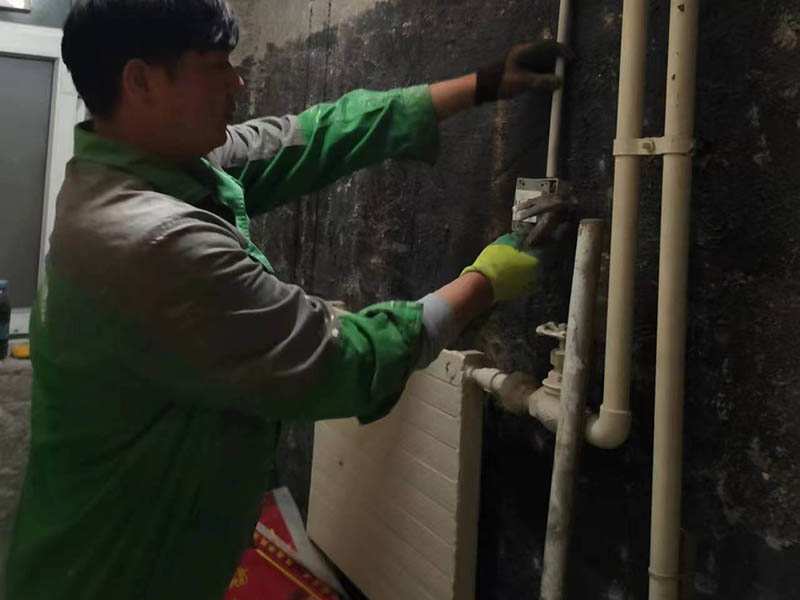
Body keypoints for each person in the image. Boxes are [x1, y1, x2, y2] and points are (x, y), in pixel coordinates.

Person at [4, 1, 568, 598]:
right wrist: (486, 280)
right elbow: (339, 358)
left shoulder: (145, 167)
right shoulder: (147, 242)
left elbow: (307, 138)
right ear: (140, 80)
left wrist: (481, 85)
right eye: (217, 66)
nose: (239, 83)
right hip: (112, 574)